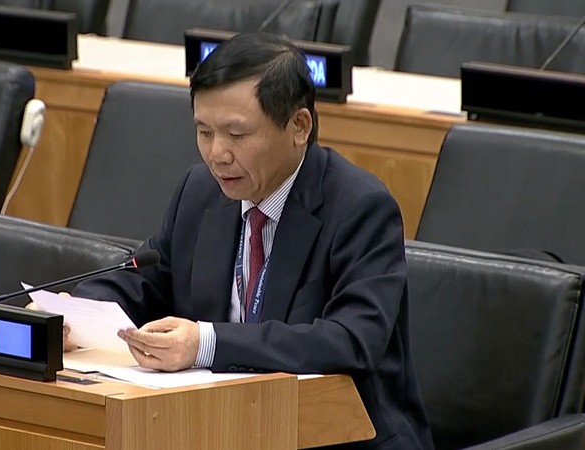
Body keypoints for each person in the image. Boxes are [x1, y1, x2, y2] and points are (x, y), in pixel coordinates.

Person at [69, 33, 434, 449]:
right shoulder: (199, 191)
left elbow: (351, 340)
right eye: (204, 131)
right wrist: (72, 315)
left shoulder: (360, 208)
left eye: (236, 135)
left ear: (299, 127)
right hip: (222, 428)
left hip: (334, 438)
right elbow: (144, 279)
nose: (217, 154)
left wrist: (207, 343)